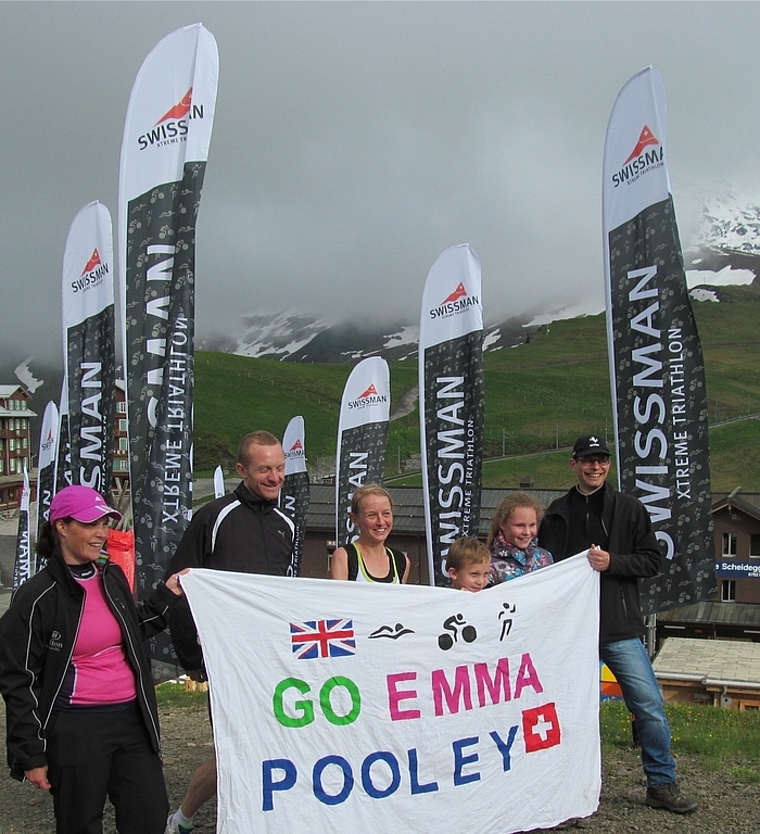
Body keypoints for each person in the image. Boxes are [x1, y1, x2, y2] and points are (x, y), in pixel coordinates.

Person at [0, 485, 185, 834]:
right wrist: (30, 754)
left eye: (104, 523)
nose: (101, 533)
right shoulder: (37, 597)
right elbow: (17, 679)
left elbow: (133, 628)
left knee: (149, 814)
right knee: (80, 823)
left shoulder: (110, 576)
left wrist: (168, 594)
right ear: (61, 527)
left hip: (130, 720)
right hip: (75, 728)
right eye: (90, 524)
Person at [538, 434, 698, 814]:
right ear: (573, 464)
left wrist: (614, 563)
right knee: (567, 711)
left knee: (649, 706)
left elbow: (652, 561)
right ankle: (565, 789)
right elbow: (545, 567)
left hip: (619, 627)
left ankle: (661, 783)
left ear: (609, 464)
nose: (595, 466)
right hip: (570, 631)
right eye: (588, 460)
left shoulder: (629, 508)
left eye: (602, 460)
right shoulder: (557, 512)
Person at [165, 430, 295, 834]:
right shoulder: (214, 517)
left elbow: (286, 596)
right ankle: (183, 819)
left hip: (272, 659)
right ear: (242, 470)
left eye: (279, 468)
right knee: (235, 750)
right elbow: (179, 588)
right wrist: (192, 660)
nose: (274, 477)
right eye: (264, 470)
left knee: (275, 746)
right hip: (226, 662)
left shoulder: (285, 524)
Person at [329, 484, 410, 583]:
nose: (380, 522)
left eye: (386, 514)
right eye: (371, 515)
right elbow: (338, 597)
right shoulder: (344, 557)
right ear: (355, 519)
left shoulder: (401, 561)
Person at [486, 491, 553, 585]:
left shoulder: (546, 557)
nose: (527, 532)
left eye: (532, 525)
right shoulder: (487, 565)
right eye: (520, 525)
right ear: (502, 524)